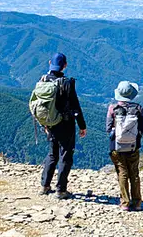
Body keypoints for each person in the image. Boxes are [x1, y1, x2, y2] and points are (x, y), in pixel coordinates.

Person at [39, 53, 87, 199]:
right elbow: (75, 106)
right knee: (65, 155)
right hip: (66, 124)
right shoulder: (67, 83)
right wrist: (82, 126)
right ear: (65, 65)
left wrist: (44, 123)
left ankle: (45, 186)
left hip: (50, 123)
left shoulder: (43, 80)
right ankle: (61, 190)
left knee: (52, 154)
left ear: (49, 63)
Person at [106, 81, 143, 211]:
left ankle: (125, 203)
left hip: (117, 147)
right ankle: (137, 202)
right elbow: (141, 129)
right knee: (134, 173)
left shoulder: (113, 108)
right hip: (133, 146)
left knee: (122, 172)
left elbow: (108, 128)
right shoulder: (138, 109)